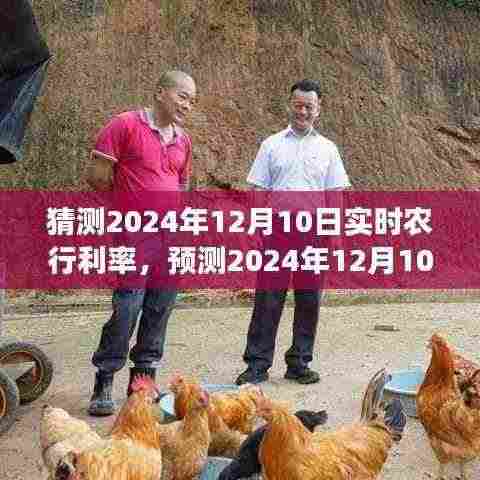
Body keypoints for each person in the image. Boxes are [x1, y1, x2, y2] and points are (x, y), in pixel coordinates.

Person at [87, 70, 196, 416]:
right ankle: (105, 378)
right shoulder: (124, 125)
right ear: (160, 92)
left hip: (170, 236)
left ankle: (143, 383)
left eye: (192, 101)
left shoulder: (183, 140)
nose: (187, 105)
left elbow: (182, 188)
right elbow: (98, 177)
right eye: (182, 96)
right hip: (134, 235)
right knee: (128, 307)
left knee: (160, 307)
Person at [235, 79, 351, 386]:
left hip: (314, 232)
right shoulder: (271, 145)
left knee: (309, 299)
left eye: (308, 106)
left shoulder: (328, 149)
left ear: (318, 110)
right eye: (298, 105)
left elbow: (334, 194)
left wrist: (336, 234)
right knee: (268, 298)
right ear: (290, 105)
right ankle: (257, 364)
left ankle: (299, 362)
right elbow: (258, 189)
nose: (302, 111)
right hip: (276, 230)